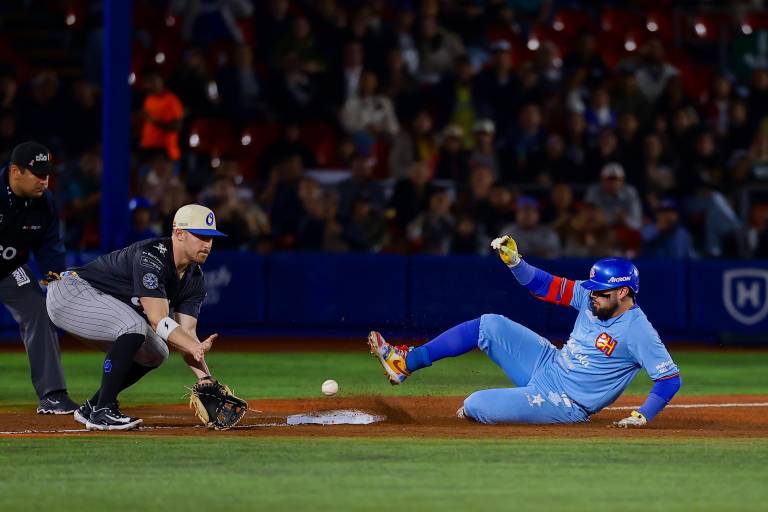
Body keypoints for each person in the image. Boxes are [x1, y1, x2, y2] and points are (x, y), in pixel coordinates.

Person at [368, 235, 682, 427]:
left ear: (624, 293)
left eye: (601, 292)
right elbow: (545, 287)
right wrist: (516, 263)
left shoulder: (638, 331)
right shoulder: (589, 297)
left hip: (565, 402)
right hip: (550, 365)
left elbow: (669, 379)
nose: (593, 295)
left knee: (476, 404)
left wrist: (643, 415)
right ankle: (403, 363)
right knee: (489, 325)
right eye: (594, 290)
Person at [45, 204, 225, 430]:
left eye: (211, 238)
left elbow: (186, 334)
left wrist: (205, 378)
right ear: (179, 234)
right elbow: (158, 319)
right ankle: (104, 410)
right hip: (70, 292)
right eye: (201, 236)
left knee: (156, 352)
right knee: (135, 326)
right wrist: (193, 346)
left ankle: (93, 406)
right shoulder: (152, 256)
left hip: (99, 300)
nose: (207, 244)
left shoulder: (194, 278)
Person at [0, 141, 78, 414]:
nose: (45, 181)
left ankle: (52, 395)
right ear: (15, 171)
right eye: (38, 174)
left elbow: (50, 250)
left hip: (9, 270)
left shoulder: (44, 204)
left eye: (47, 174)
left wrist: (55, 281)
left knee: (38, 310)